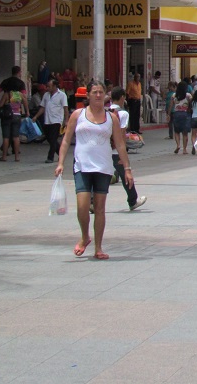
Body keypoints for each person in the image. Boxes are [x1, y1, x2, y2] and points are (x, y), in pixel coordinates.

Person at [55, 81, 135, 260]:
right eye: (94, 92)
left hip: (103, 167)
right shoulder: (78, 115)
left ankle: (98, 247)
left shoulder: (111, 118)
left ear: (105, 95)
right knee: (82, 207)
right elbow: (67, 140)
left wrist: (127, 168)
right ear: (88, 95)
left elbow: (120, 144)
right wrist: (60, 163)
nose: (98, 95)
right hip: (82, 166)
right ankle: (85, 237)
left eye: (101, 92)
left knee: (99, 208)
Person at [108, 88, 147, 211]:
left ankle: (92, 201)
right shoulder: (123, 114)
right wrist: (123, 151)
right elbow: (122, 132)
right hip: (116, 150)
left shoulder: (106, 112)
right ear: (122, 97)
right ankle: (132, 201)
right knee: (126, 175)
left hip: (105, 149)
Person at [32, 77, 69, 164]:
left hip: (56, 120)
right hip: (47, 120)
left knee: (53, 139)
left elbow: (65, 109)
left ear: (55, 86)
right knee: (49, 139)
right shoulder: (46, 95)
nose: (47, 88)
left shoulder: (62, 95)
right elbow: (42, 107)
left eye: (49, 86)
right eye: (47, 86)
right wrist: (36, 116)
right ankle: (61, 153)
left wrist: (66, 120)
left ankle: (50, 157)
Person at [0, 66, 29, 162]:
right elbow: (25, 100)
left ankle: (4, 157)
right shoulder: (20, 94)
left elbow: (0, 104)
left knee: (6, 137)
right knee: (16, 137)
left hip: (7, 116)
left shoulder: (7, 93)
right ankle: (17, 157)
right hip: (17, 115)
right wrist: (27, 111)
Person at [171, 80, 191, 155]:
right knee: (185, 133)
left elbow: (171, 105)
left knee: (176, 131)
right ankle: (185, 149)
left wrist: (169, 114)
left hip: (176, 113)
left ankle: (178, 145)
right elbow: (191, 103)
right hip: (185, 114)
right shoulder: (188, 95)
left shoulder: (174, 95)